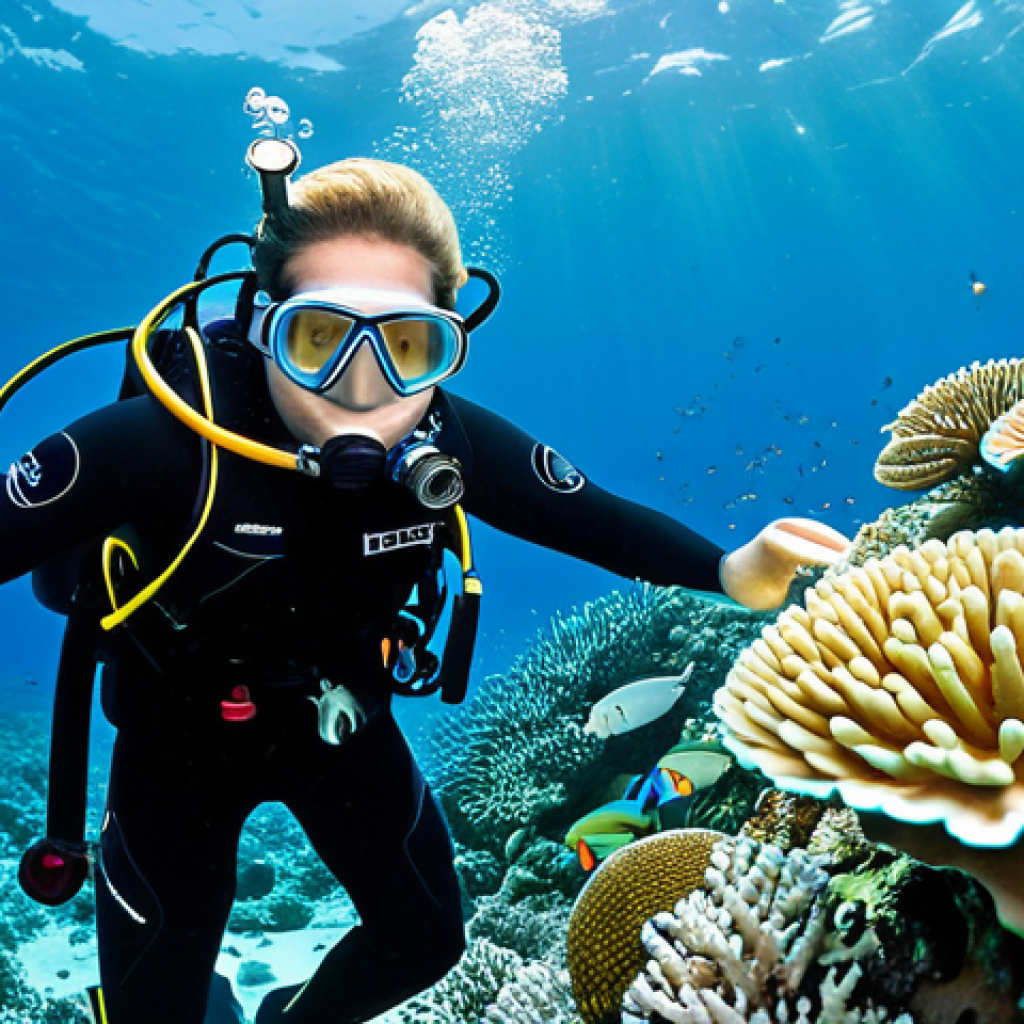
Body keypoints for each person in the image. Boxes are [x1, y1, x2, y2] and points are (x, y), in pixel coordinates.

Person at [0, 153, 848, 1024]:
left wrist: (729, 571)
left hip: (339, 719)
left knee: (426, 939)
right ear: (261, 325)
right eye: (319, 339)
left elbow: (592, 518)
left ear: (447, 344)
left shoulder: (451, 442)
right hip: (175, 742)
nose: (362, 386)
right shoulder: (164, 441)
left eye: (407, 347)